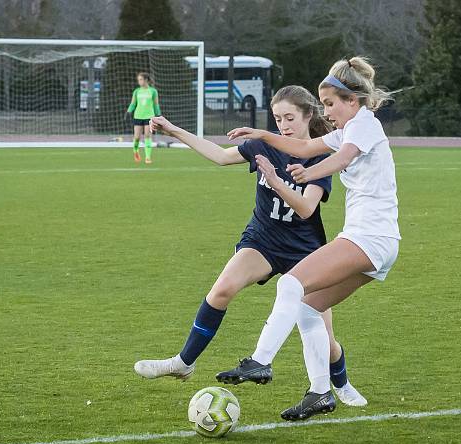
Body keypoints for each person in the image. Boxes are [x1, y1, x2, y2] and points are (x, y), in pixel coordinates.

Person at [133, 85, 368, 407]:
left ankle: (341, 385)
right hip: (263, 239)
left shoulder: (320, 155)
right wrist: (174, 130)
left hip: (306, 249)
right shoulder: (263, 144)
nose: (283, 125)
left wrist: (274, 180)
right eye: (277, 118)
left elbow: (305, 209)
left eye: (289, 118)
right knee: (222, 290)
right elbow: (219, 156)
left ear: (308, 116)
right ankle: (183, 362)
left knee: (324, 340)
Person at [218, 57, 400, 421]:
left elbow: (338, 159)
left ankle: (260, 361)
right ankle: (321, 393)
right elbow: (302, 148)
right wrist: (261, 135)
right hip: (375, 242)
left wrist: (305, 175)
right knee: (308, 307)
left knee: (290, 284)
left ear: (353, 100)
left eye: (331, 103)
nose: (327, 111)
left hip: (370, 237)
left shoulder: (365, 125)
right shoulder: (347, 130)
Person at [126, 72, 160, 164]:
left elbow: (156, 104)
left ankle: (148, 157)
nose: (139, 82)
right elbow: (133, 103)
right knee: (137, 137)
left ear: (146, 80)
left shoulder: (153, 91)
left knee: (147, 135)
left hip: (149, 116)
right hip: (138, 116)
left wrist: (159, 114)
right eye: (138, 80)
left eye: (141, 79)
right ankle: (136, 152)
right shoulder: (137, 91)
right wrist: (129, 111)